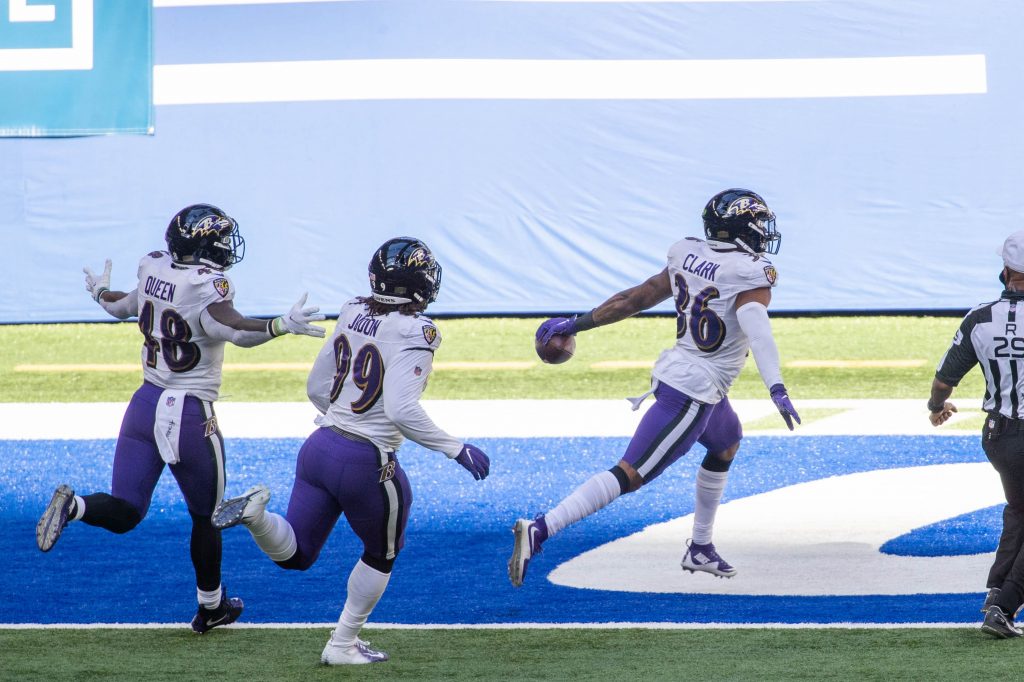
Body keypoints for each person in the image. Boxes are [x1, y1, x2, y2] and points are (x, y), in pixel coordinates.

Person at [35, 204, 326, 634]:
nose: (227, 249)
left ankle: (75, 507)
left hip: (144, 403)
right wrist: (281, 325)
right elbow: (237, 331)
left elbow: (121, 308)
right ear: (203, 245)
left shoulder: (153, 267)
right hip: (188, 414)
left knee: (128, 509)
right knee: (206, 516)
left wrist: (99, 292)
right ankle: (211, 607)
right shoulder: (208, 286)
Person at [211, 236, 490, 665]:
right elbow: (400, 409)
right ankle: (342, 643)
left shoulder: (353, 310)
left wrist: (342, 421)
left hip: (320, 447)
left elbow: (315, 387)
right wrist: (454, 448)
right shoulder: (419, 330)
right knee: (382, 552)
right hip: (366, 460)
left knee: (298, 554)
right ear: (416, 282)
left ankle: (258, 517)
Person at [508, 188, 800, 588]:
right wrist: (777, 386)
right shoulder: (749, 271)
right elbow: (758, 330)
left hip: (691, 377)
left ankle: (700, 547)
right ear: (740, 229)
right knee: (631, 473)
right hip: (693, 389)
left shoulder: (686, 252)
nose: (764, 234)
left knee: (727, 442)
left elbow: (638, 297)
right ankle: (541, 529)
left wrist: (577, 323)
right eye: (758, 225)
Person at [927, 230, 1024, 639]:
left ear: (1005, 271)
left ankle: (994, 592)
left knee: (1019, 511)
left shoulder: (979, 318)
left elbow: (944, 380)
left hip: (999, 435)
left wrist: (936, 409)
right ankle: (1004, 606)